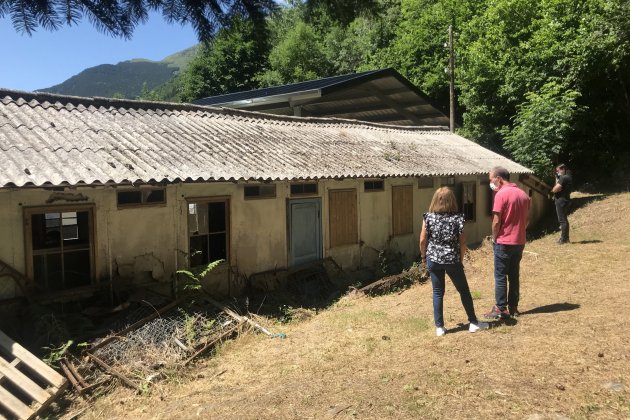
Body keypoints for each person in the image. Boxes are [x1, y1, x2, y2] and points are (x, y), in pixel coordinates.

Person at [420, 187, 489, 336]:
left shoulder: (428, 217)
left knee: (438, 292)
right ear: (452, 200)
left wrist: (424, 257)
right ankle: (473, 322)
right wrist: (460, 258)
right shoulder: (458, 218)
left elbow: (422, 240)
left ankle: (439, 327)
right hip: (452, 259)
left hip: (433, 259)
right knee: (463, 291)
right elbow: (463, 242)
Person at [484, 167, 531, 320]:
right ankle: (514, 307)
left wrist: (494, 237)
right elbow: (527, 220)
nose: (491, 183)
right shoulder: (523, 194)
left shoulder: (501, 195)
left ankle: (500, 308)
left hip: (504, 241)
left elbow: (496, 221)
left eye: (491, 179)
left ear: (499, 178)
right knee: (514, 274)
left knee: (500, 275)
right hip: (519, 241)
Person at [552, 164, 573, 244]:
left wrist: (557, 179)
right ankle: (566, 238)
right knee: (564, 219)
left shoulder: (563, 178)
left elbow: (555, 189)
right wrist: (557, 178)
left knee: (562, 220)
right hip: (566, 200)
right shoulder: (568, 177)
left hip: (561, 200)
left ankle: (563, 239)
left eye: (558, 170)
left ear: (563, 169)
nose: (558, 172)